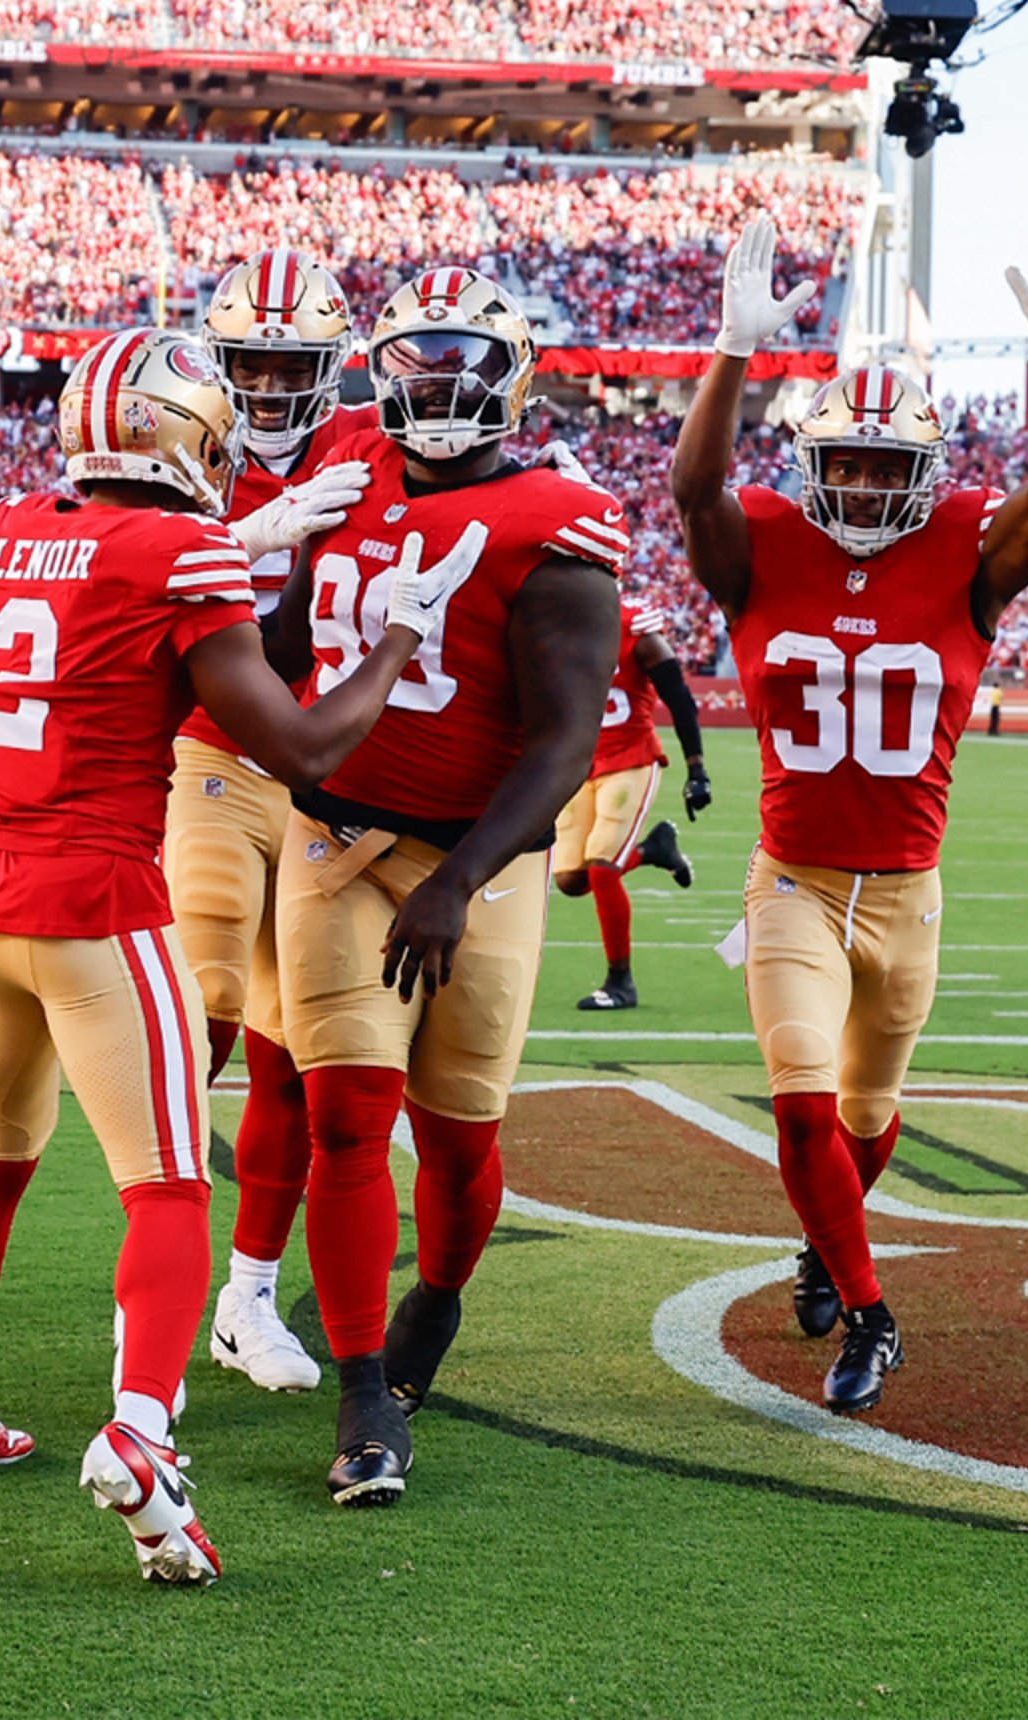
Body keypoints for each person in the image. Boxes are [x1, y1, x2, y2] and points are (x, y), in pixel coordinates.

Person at [0, 329, 465, 1585]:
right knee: (166, 1187)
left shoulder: (9, 530)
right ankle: (142, 1436)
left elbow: (116, 567)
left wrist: (251, 541)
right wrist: (397, 644)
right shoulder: (183, 546)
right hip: (94, 899)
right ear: (186, 434)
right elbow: (303, 744)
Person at [670, 218, 1028, 1413]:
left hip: (910, 894)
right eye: (844, 462)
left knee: (864, 1116)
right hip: (795, 882)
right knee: (804, 1099)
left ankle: (828, 1243)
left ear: (919, 470)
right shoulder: (762, 544)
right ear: (815, 464)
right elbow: (691, 485)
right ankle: (871, 1314)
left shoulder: (964, 549)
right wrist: (729, 353)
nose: (860, 482)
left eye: (881, 464)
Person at [269, 267, 624, 1504]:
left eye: (465, 359)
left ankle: (439, 1294)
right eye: (416, 359)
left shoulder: (558, 521)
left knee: (461, 1134)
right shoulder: (340, 479)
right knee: (348, 1115)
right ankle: (364, 1394)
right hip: (335, 843)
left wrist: (460, 879)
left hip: (485, 859)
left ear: (514, 378)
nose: (438, 383)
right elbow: (280, 646)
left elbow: (565, 741)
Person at [173, 248, 377, 1394]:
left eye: (288, 362)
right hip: (210, 751)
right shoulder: (173, 430)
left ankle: (247, 1294)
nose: (264, 382)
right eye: (248, 359)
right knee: (200, 1007)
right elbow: (121, 553)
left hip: (324, 769)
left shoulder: (369, 441)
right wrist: (257, 531)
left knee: (294, 1053)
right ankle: (147, 1271)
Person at [553, 590, 706, 1010]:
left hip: (630, 757)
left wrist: (696, 768)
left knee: (603, 869)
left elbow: (678, 697)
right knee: (571, 880)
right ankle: (653, 850)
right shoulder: (552, 621)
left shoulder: (637, 630)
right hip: (583, 763)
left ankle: (620, 982)